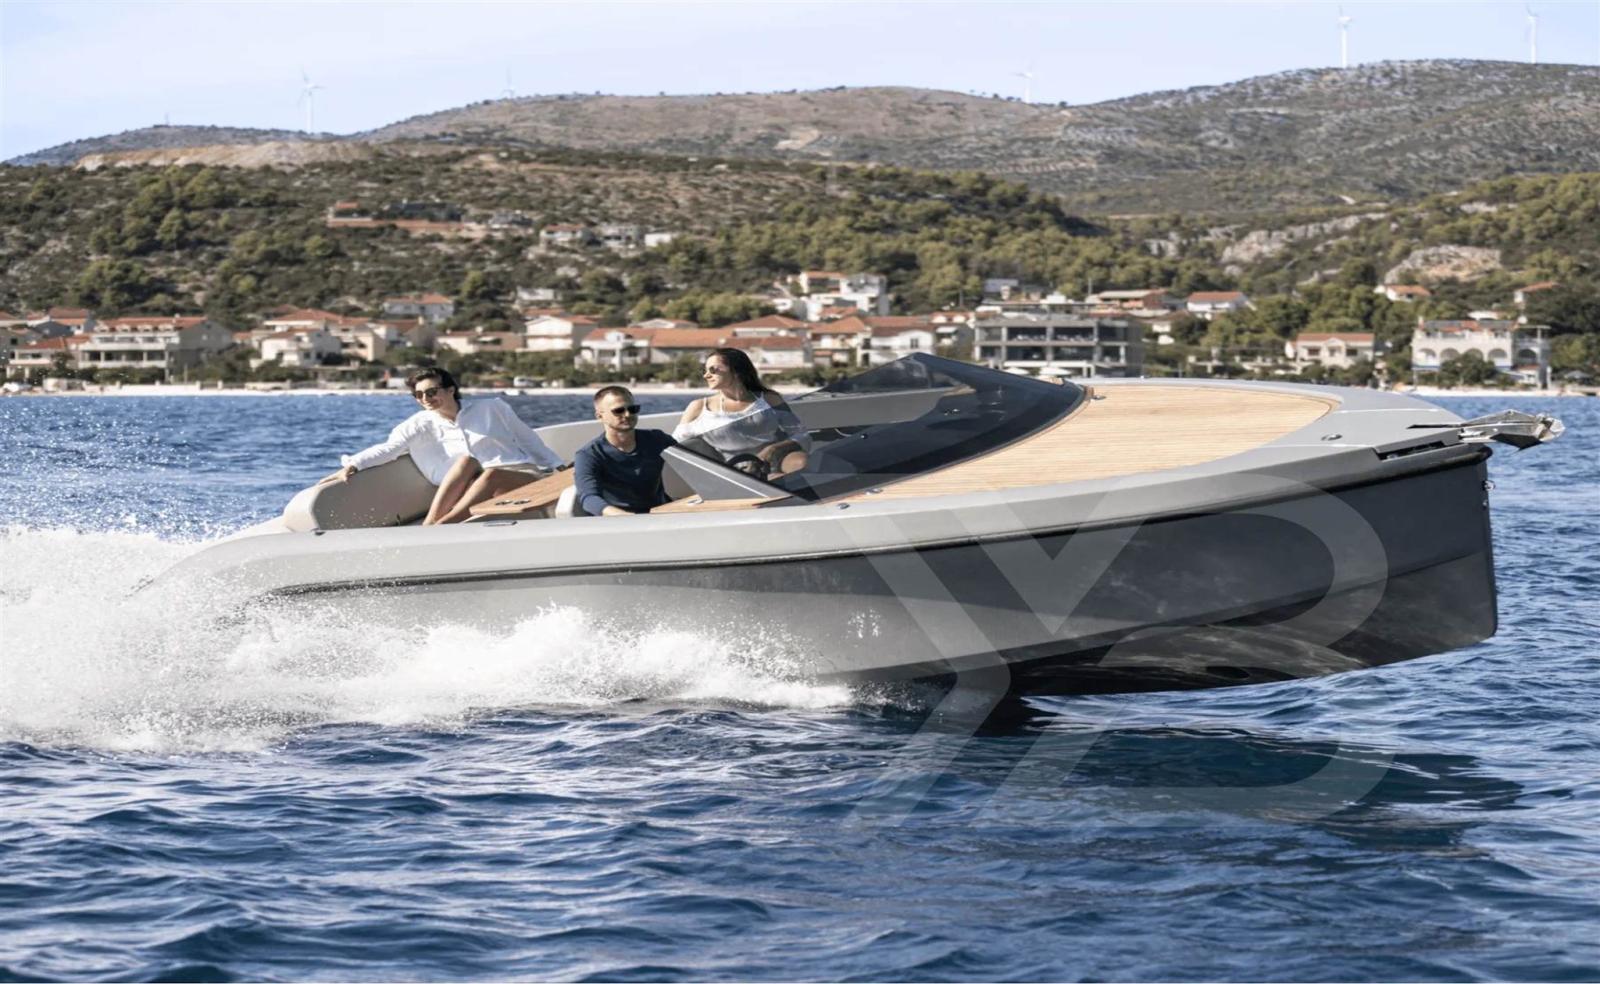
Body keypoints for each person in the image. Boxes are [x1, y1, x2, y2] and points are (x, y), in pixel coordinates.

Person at [324, 368, 564, 525]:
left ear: (451, 390)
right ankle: (431, 524)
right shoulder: (419, 423)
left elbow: (527, 438)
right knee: (466, 462)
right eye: (418, 395)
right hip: (473, 485)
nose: (425, 399)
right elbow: (390, 448)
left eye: (431, 392)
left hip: (519, 476)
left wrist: (557, 466)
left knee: (491, 473)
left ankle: (442, 527)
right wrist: (353, 465)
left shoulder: (492, 408)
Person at [672, 347, 810, 479]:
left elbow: (801, 434)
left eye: (713, 369)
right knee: (777, 481)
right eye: (705, 370)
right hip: (731, 470)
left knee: (801, 464)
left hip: (774, 461)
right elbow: (674, 445)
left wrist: (772, 449)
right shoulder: (699, 407)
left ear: (736, 370)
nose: (706, 375)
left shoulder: (770, 399)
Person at [573, 386, 677, 516]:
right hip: (619, 521)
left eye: (633, 409)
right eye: (618, 411)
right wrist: (625, 517)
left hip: (661, 514)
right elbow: (589, 498)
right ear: (599, 416)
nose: (627, 415)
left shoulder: (657, 439)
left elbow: (691, 458)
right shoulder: (589, 455)